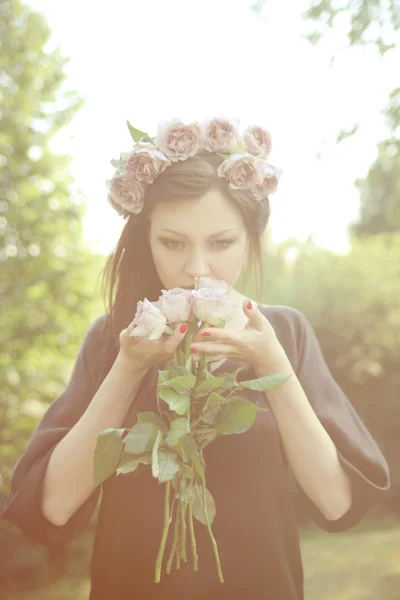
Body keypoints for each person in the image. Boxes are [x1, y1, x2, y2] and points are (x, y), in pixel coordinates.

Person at [1, 118, 390, 600]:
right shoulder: (113, 340)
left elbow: (336, 504)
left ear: (251, 239)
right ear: (147, 241)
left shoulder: (284, 333)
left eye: (221, 243)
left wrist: (273, 365)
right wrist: (129, 367)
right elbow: (55, 507)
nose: (197, 269)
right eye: (173, 243)